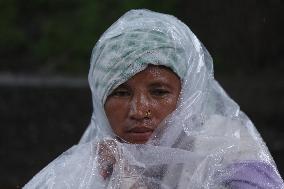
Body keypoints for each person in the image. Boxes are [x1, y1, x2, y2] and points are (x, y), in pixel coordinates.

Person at [24, 9, 284, 188]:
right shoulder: (93, 166)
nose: (139, 110)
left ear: (187, 96)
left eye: (159, 92)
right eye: (120, 92)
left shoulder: (229, 150)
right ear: (100, 102)